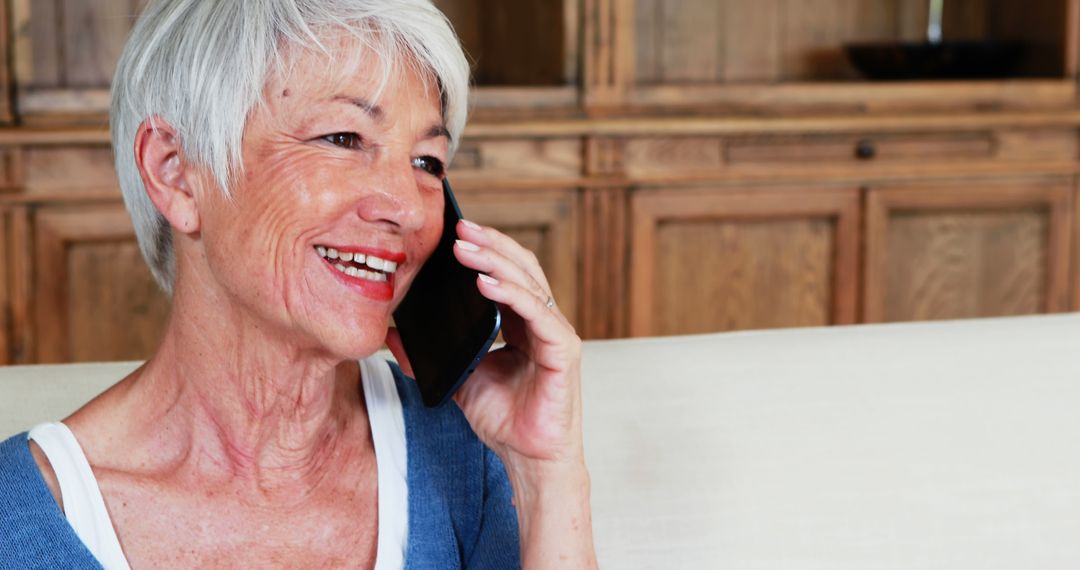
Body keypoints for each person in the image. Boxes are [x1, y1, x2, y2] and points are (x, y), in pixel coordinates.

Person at [0, 1, 597, 568]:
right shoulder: (17, 522)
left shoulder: (466, 457)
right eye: (343, 139)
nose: (409, 210)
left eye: (427, 162)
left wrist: (547, 472)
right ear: (176, 172)